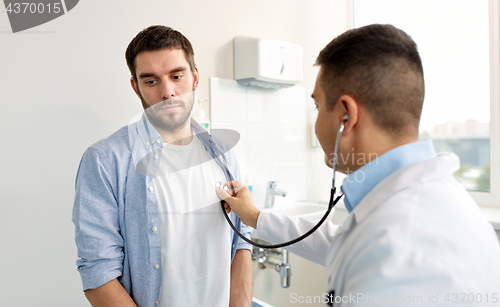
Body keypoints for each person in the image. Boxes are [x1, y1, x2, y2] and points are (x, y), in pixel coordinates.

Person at [217, 24, 500, 306]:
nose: (315, 125)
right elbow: (339, 242)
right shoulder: (427, 201)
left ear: (345, 115)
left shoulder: (400, 246)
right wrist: (254, 216)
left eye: (317, 108)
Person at [72, 25, 254, 307]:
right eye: (151, 81)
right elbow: (98, 272)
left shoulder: (225, 152)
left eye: (176, 76)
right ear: (136, 87)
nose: (168, 92)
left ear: (194, 77)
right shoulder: (106, 160)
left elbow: (242, 243)